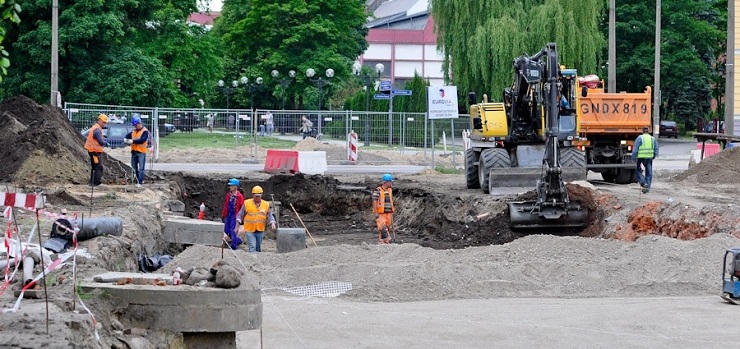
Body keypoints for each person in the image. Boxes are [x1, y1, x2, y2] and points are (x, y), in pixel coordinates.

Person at [236, 186, 276, 252]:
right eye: (256, 196)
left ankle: (257, 260)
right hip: (249, 229)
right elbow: (240, 216)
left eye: (258, 196)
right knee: (252, 247)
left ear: (261, 195)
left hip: (260, 229)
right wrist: (236, 227)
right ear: (253, 195)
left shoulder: (266, 204)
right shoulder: (247, 203)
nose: (257, 197)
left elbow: (269, 215)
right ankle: (252, 259)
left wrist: (272, 222)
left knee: (258, 248)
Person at [124, 117, 150, 187]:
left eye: (136, 125)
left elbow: (142, 140)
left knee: (141, 168)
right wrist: (125, 139)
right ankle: (137, 180)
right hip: (134, 152)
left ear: (139, 123)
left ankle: (140, 182)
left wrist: (133, 141)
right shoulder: (134, 131)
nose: (135, 126)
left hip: (141, 152)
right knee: (134, 167)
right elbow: (127, 136)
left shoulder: (145, 131)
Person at [632, 126, 659, 194]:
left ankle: (644, 183)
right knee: (649, 173)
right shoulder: (652, 138)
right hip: (649, 159)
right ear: (649, 131)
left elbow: (635, 149)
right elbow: (656, 148)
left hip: (641, 159)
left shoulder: (640, 138)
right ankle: (647, 188)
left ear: (642, 131)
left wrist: (633, 158)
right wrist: (654, 156)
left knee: (639, 172)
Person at [84, 114, 109, 186]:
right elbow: (100, 141)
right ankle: (96, 182)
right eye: (103, 122)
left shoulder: (96, 128)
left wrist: (102, 136)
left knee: (95, 167)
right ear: (99, 120)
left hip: (92, 151)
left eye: (105, 122)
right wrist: (106, 143)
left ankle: (92, 182)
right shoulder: (97, 129)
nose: (104, 124)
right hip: (95, 152)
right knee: (99, 166)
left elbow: (96, 137)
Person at [221, 178, 245, 249]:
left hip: (235, 216)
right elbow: (226, 205)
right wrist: (223, 214)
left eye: (231, 186)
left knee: (233, 230)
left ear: (236, 187)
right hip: (228, 215)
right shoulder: (228, 195)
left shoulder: (240, 196)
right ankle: (237, 240)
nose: (230, 187)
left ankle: (234, 246)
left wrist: (240, 218)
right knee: (226, 230)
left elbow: (242, 208)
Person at [372, 174, 395, 244]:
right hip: (381, 213)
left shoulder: (389, 190)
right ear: (386, 182)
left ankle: (382, 242)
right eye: (390, 182)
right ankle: (388, 240)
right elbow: (374, 201)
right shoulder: (378, 190)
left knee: (387, 228)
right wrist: (376, 212)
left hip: (389, 213)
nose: (391, 183)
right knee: (382, 228)